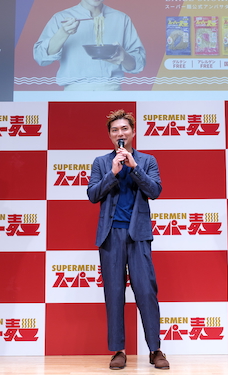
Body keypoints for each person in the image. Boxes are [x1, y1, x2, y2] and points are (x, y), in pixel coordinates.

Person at [87, 109, 169, 370]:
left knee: (146, 291)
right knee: (114, 293)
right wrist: (112, 173)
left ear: (133, 132)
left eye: (124, 129)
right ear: (110, 135)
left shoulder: (147, 161)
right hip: (111, 235)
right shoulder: (101, 162)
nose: (119, 133)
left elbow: (155, 190)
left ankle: (155, 349)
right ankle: (118, 351)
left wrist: (134, 168)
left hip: (138, 234)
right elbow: (92, 195)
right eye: (115, 130)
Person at [33, 0, 146, 91]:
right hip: (74, 92)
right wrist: (63, 32)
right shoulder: (60, 18)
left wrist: (124, 56)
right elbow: (41, 58)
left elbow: (138, 65)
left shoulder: (121, 19)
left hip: (112, 91)